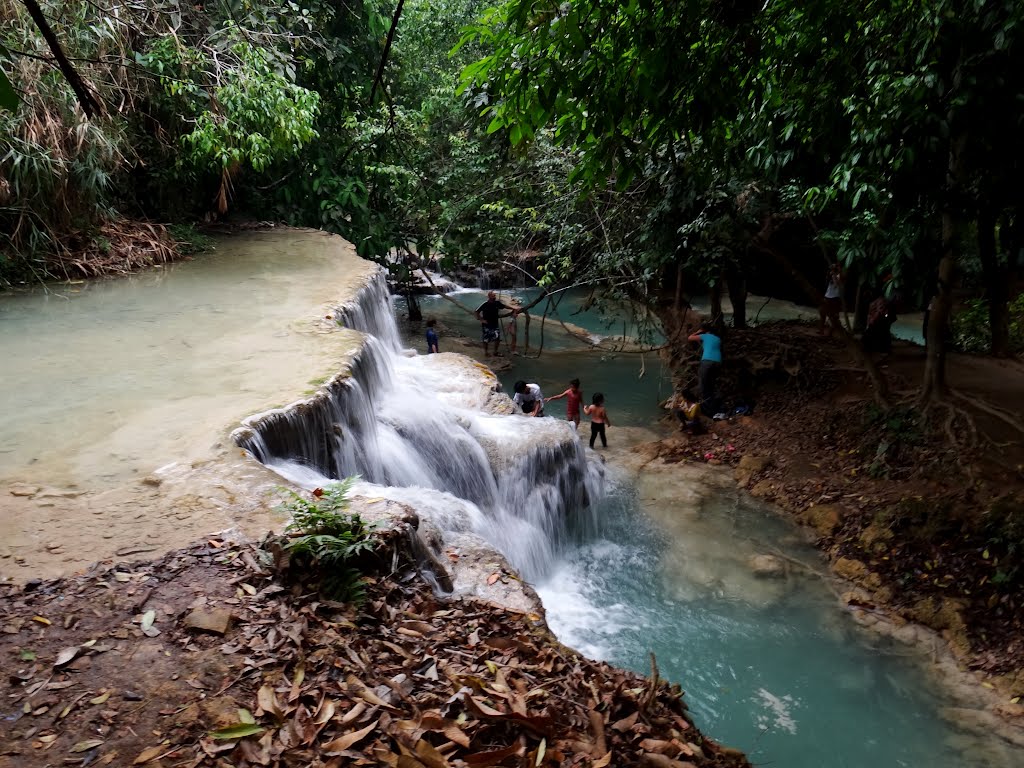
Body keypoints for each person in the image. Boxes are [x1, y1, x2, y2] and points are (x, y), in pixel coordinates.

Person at [687, 322, 723, 418]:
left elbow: (690, 338)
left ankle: (708, 412)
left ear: (705, 331)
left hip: (707, 362)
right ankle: (715, 409)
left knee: (703, 386)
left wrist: (698, 332)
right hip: (718, 362)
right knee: (711, 385)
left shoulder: (705, 336)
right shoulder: (718, 339)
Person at [475, 291, 515, 357]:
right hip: (486, 325)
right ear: (489, 296)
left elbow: (504, 306)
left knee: (497, 338)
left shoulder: (497, 303)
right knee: (486, 339)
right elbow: (476, 311)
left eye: (495, 296)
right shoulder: (485, 304)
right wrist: (481, 319)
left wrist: (513, 308)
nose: (494, 297)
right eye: (493, 296)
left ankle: (495, 352)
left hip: (495, 324)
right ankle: (486, 352)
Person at [819, 264, 843, 336]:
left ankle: (830, 333)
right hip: (827, 297)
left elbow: (836, 284)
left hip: (835, 298)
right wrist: (831, 273)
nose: (836, 268)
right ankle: (821, 331)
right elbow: (827, 281)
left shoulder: (840, 276)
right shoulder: (831, 275)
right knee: (822, 313)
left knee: (834, 317)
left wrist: (834, 274)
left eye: (838, 267)